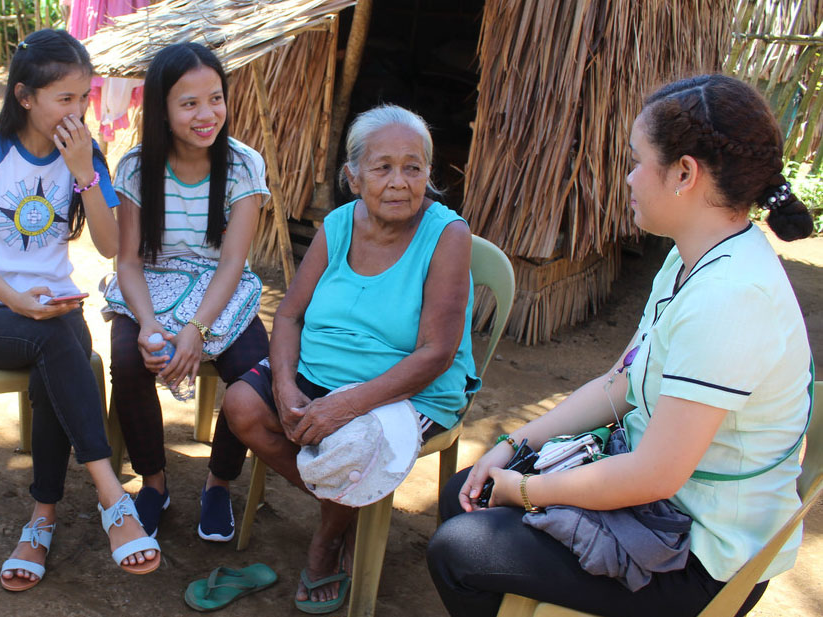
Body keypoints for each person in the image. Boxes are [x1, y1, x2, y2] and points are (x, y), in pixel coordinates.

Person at [427, 74, 815, 617]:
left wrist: (526, 491)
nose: (629, 179)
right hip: (658, 498)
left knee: (460, 550)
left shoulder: (732, 299)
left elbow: (654, 474)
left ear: (684, 174)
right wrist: (512, 447)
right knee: (467, 491)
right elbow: (621, 383)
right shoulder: (690, 258)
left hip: (700, 553)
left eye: (637, 161)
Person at [222, 104, 481, 614]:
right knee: (240, 406)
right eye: (383, 167)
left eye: (414, 167)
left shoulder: (447, 235)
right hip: (318, 371)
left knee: (348, 442)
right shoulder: (339, 224)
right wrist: (285, 388)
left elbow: (437, 352)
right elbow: (290, 315)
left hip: (409, 386)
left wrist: (345, 407)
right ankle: (347, 510)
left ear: (429, 174)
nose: (400, 182)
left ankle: (326, 540)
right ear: (354, 175)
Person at [0, 29, 161, 592]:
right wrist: (18, 299)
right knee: (57, 344)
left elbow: (112, 247)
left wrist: (85, 170)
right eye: (64, 99)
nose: (79, 110)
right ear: (24, 96)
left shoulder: (84, 153)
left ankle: (40, 522)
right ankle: (112, 497)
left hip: (55, 310)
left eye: (85, 98)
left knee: (59, 352)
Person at [108, 42, 270, 542]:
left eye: (215, 98)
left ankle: (218, 482)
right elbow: (129, 261)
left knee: (250, 369)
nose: (207, 115)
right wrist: (150, 323)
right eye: (189, 103)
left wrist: (196, 328)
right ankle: (153, 482)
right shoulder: (136, 168)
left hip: (220, 289)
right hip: (153, 285)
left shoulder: (243, 165)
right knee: (129, 359)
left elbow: (231, 263)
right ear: (162, 108)